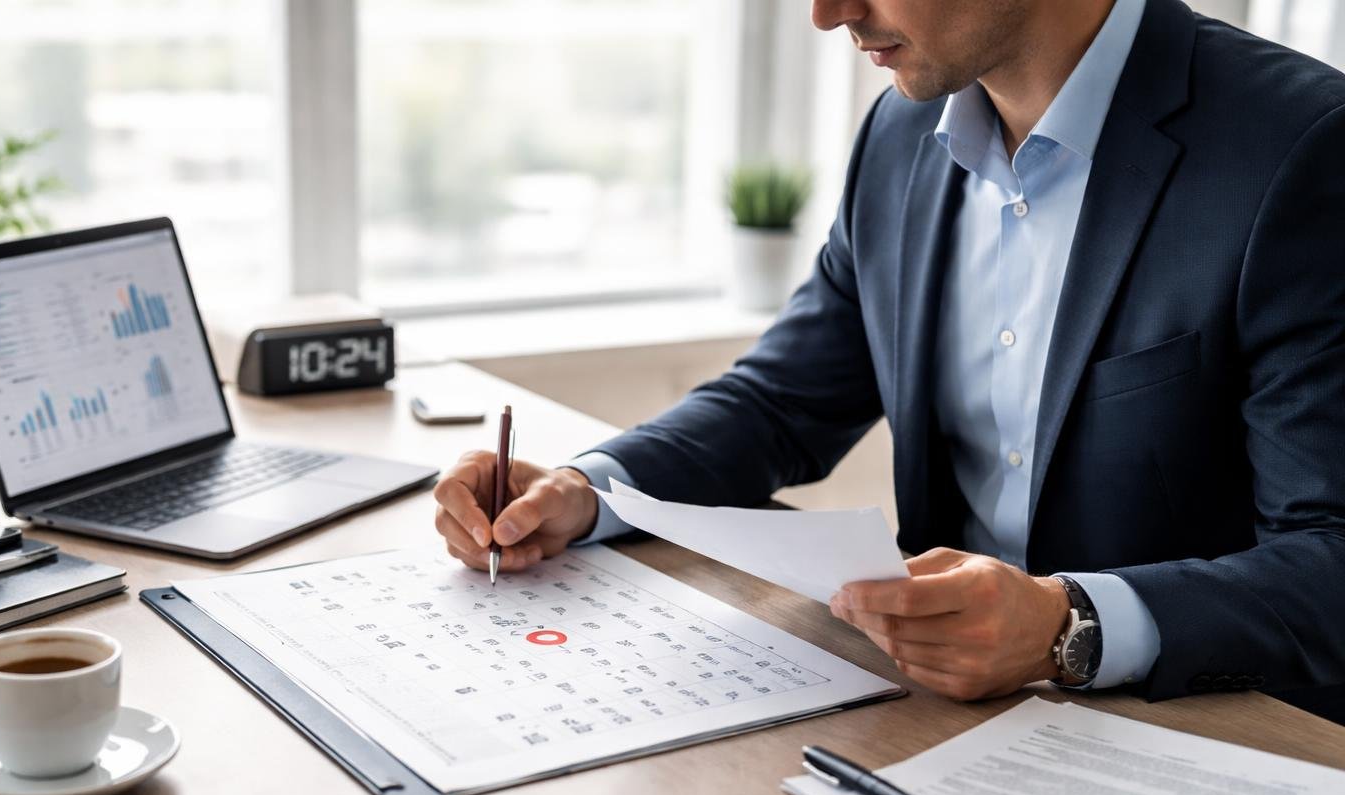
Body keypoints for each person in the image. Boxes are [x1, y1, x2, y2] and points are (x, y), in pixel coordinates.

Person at [432, 0, 1345, 719]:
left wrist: (1070, 623)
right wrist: (591, 490)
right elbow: (782, 399)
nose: (827, 13)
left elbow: (1331, 558)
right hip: (938, 716)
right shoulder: (901, 135)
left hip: (1207, 731)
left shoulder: (1301, 148)